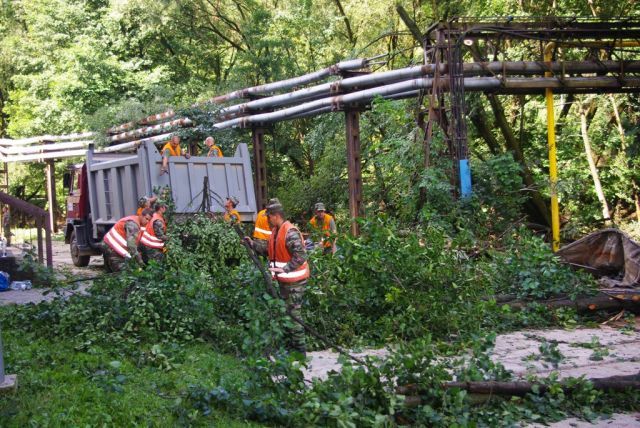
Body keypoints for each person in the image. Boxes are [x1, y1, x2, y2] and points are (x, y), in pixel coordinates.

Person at [245, 201, 310, 355]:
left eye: (269, 217)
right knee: (288, 314)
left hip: (295, 281)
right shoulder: (276, 231)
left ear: (276, 216)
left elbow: (301, 255)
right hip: (285, 281)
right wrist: (252, 244)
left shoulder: (290, 232)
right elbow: (269, 249)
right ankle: (293, 347)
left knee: (294, 315)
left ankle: (300, 351)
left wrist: (285, 268)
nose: (267, 220)